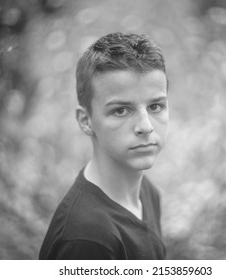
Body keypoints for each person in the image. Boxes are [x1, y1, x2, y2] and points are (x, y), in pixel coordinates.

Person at [39, 32, 169, 259]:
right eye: (121, 110)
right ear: (86, 120)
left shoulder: (147, 192)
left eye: (155, 106)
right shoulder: (87, 240)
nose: (146, 126)